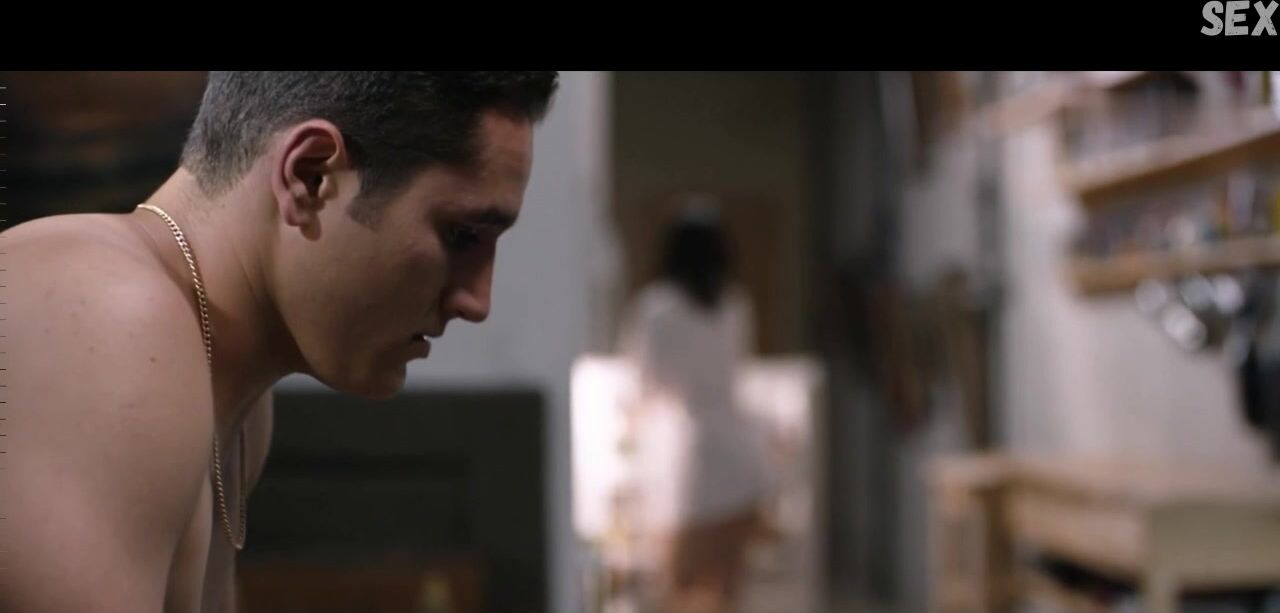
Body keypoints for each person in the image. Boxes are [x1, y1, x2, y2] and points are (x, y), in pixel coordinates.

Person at [0, 71, 559, 613]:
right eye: (461, 235)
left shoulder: (235, 393)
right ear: (310, 178)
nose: (476, 301)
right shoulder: (107, 317)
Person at [617, 204, 776, 613]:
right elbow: (739, 376)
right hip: (741, 463)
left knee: (678, 594)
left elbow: (644, 384)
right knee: (725, 595)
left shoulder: (657, 308)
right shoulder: (735, 304)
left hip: (687, 472)